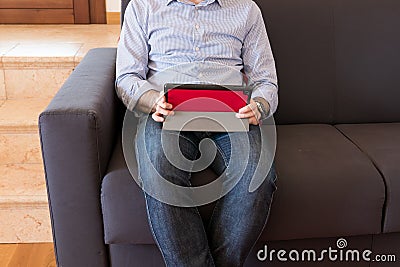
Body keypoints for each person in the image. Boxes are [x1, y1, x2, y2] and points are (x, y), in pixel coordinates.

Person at [116, 0, 278, 266]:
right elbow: (127, 77)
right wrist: (152, 100)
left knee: (257, 176)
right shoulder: (143, 7)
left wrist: (259, 105)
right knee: (158, 167)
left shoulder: (247, 9)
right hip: (166, 115)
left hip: (232, 117)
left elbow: (265, 80)